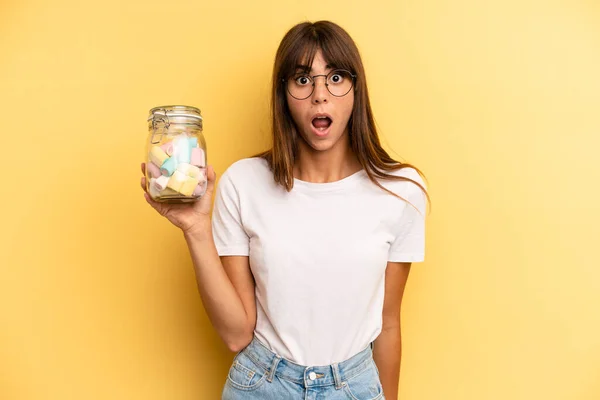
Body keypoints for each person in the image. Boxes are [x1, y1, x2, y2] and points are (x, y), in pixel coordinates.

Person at [140, 20, 429, 400]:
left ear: (356, 90)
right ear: (284, 94)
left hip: (354, 387)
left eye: (336, 77)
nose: (320, 96)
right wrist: (195, 228)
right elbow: (236, 334)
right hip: (262, 384)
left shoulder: (401, 192)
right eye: (303, 79)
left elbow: (388, 325)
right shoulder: (243, 183)